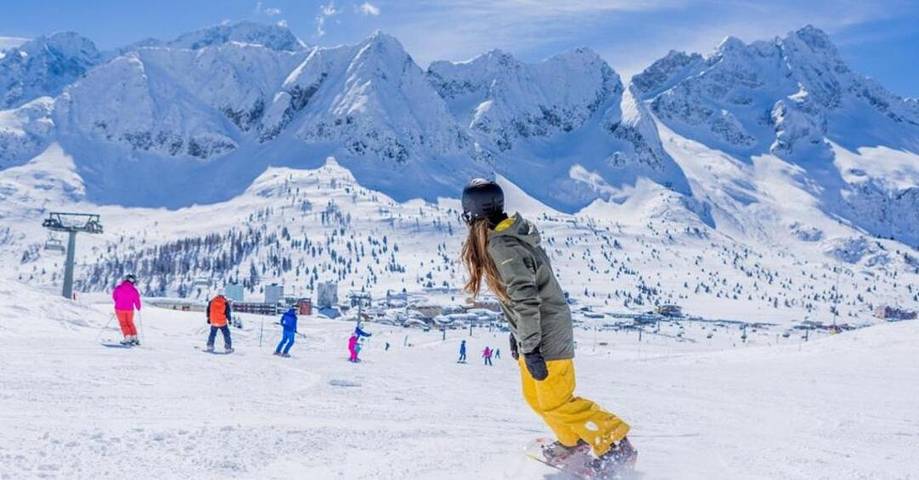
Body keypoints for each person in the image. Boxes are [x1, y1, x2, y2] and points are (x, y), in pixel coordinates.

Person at [459, 178, 636, 474]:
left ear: (472, 213)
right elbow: (521, 297)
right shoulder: (504, 237)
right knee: (537, 398)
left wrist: (530, 347)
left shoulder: (503, 246)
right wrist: (517, 336)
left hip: (546, 334)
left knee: (556, 400)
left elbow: (527, 301)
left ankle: (616, 443)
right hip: (535, 332)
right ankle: (572, 442)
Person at [112, 274, 142, 346]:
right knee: (130, 323)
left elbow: (114, 296)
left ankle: (127, 337)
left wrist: (118, 302)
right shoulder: (134, 290)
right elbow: (137, 300)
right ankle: (134, 337)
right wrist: (138, 307)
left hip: (119, 309)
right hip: (130, 309)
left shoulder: (118, 288)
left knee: (123, 323)